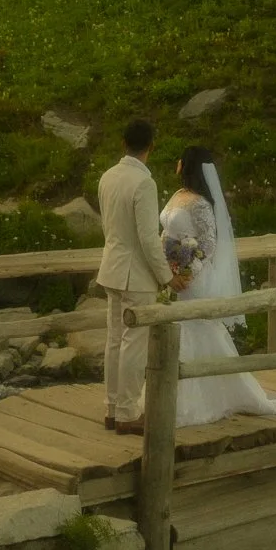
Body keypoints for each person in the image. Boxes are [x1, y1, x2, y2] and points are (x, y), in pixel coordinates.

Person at [162, 147, 276, 427]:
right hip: (172, 274)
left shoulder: (201, 204)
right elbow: (166, 234)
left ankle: (199, 400)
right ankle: (176, 395)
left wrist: (186, 271)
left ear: (185, 165)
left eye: (180, 160)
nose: (177, 164)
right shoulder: (177, 197)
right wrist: (164, 264)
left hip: (192, 277)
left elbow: (207, 243)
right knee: (178, 329)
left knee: (198, 329)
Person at [96, 118, 168, 435]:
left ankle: (112, 409)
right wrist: (167, 276)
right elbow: (149, 239)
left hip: (111, 266)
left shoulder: (108, 177)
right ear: (151, 146)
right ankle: (127, 413)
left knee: (114, 340)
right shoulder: (144, 184)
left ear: (123, 144)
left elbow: (108, 227)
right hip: (135, 274)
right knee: (133, 344)